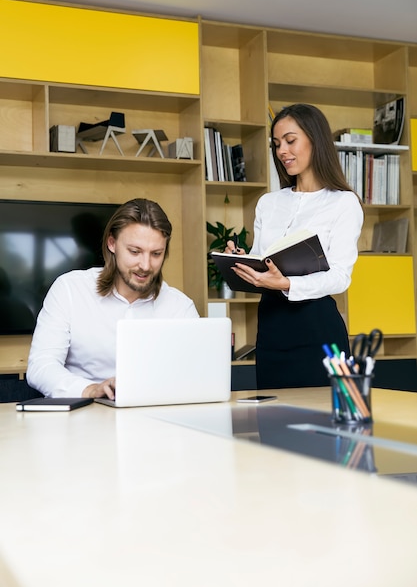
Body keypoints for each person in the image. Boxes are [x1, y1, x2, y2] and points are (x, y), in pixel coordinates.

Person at [225, 103, 364, 388]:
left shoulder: (343, 202)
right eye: (277, 144)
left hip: (318, 331)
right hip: (272, 329)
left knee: (324, 427)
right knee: (273, 425)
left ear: (315, 139)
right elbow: (264, 261)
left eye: (290, 141)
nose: (282, 151)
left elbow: (340, 277)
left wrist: (287, 284)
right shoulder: (268, 203)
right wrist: (243, 260)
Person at [27, 198, 199, 399]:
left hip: (155, 419)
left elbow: (195, 375)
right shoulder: (70, 289)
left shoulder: (181, 308)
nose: (145, 265)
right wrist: (91, 389)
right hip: (81, 417)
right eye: (135, 252)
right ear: (112, 244)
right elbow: (41, 366)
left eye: (156, 254)